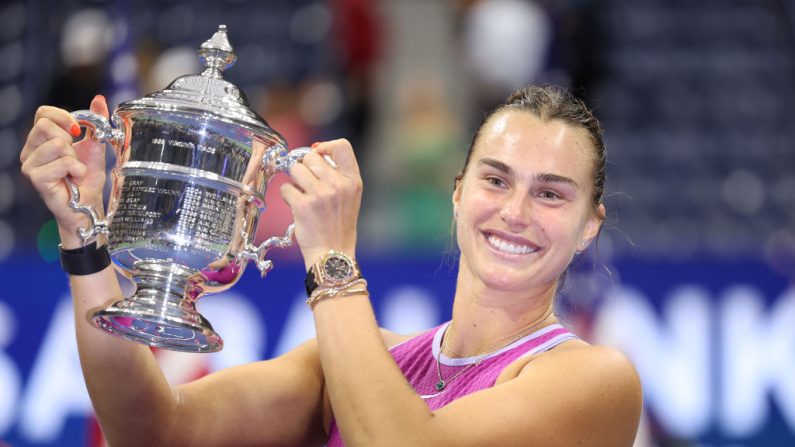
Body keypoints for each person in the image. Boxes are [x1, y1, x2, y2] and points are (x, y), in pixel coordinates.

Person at [20, 85, 642, 446]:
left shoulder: (596, 380)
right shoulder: (350, 366)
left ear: (590, 225)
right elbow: (149, 429)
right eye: (496, 179)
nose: (515, 211)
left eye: (552, 193)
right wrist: (83, 233)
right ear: (458, 192)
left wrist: (332, 257)